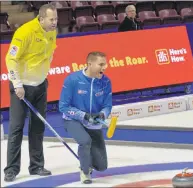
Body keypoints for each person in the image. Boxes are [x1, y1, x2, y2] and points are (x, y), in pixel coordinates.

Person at [4, 3, 58, 182]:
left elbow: (49, 53)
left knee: (37, 127)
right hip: (22, 87)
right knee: (16, 128)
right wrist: (17, 84)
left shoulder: (52, 31)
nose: (55, 23)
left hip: (40, 85)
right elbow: (10, 58)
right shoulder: (24, 32)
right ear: (41, 19)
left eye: (56, 19)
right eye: (51, 19)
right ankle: (11, 169)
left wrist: (44, 74)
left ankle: (36, 166)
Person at [59, 52, 112, 184]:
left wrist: (102, 115)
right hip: (73, 120)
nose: (104, 67)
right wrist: (83, 115)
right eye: (101, 64)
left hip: (93, 123)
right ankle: (85, 170)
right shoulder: (72, 80)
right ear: (90, 64)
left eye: (105, 64)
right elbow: (63, 106)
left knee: (101, 166)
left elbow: (107, 105)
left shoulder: (106, 82)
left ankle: (88, 161)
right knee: (85, 141)